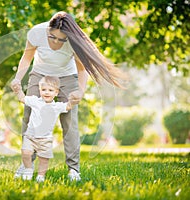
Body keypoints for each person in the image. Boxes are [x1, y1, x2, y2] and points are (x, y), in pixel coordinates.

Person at [10, 11, 127, 181]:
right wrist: (18, 78)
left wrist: (80, 90)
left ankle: (74, 169)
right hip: (40, 74)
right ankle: (27, 166)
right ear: (47, 30)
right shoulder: (36, 32)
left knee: (69, 122)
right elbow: (26, 59)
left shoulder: (74, 41)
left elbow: (81, 68)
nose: (56, 42)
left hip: (67, 77)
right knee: (29, 118)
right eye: (52, 37)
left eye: (61, 39)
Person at [12, 76, 74, 182]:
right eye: (44, 90)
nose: (47, 92)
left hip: (45, 138)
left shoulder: (57, 106)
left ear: (56, 92)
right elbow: (22, 99)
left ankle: (41, 176)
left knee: (44, 159)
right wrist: (18, 90)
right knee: (25, 152)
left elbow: (68, 106)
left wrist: (74, 100)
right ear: (40, 90)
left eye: (50, 90)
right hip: (30, 135)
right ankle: (28, 169)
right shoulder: (35, 101)